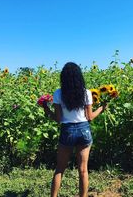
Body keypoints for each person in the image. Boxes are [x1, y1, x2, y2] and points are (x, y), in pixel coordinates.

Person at [43, 62, 106, 197]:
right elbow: (89, 117)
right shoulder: (86, 93)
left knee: (60, 169)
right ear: (79, 76)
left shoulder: (58, 93)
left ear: (63, 77)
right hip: (84, 130)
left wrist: (46, 110)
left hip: (67, 130)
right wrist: (101, 108)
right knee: (83, 170)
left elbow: (59, 119)